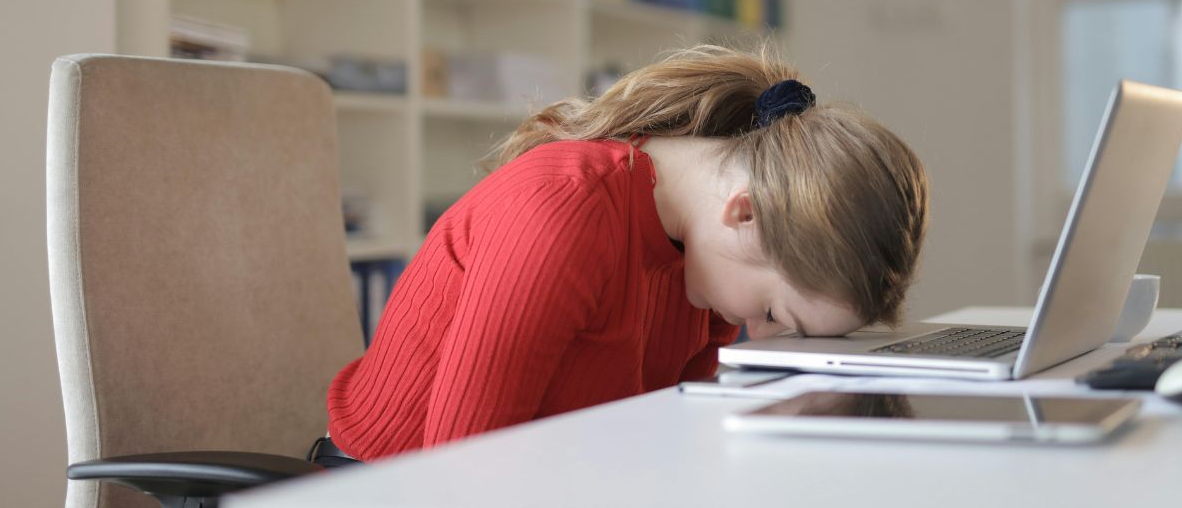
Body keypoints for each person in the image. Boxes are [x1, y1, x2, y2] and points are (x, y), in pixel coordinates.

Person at [322, 44, 930, 463]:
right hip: (386, 483)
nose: (764, 337)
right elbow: (462, 473)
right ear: (744, 214)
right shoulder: (564, 210)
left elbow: (663, 442)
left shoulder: (706, 261)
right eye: (775, 315)